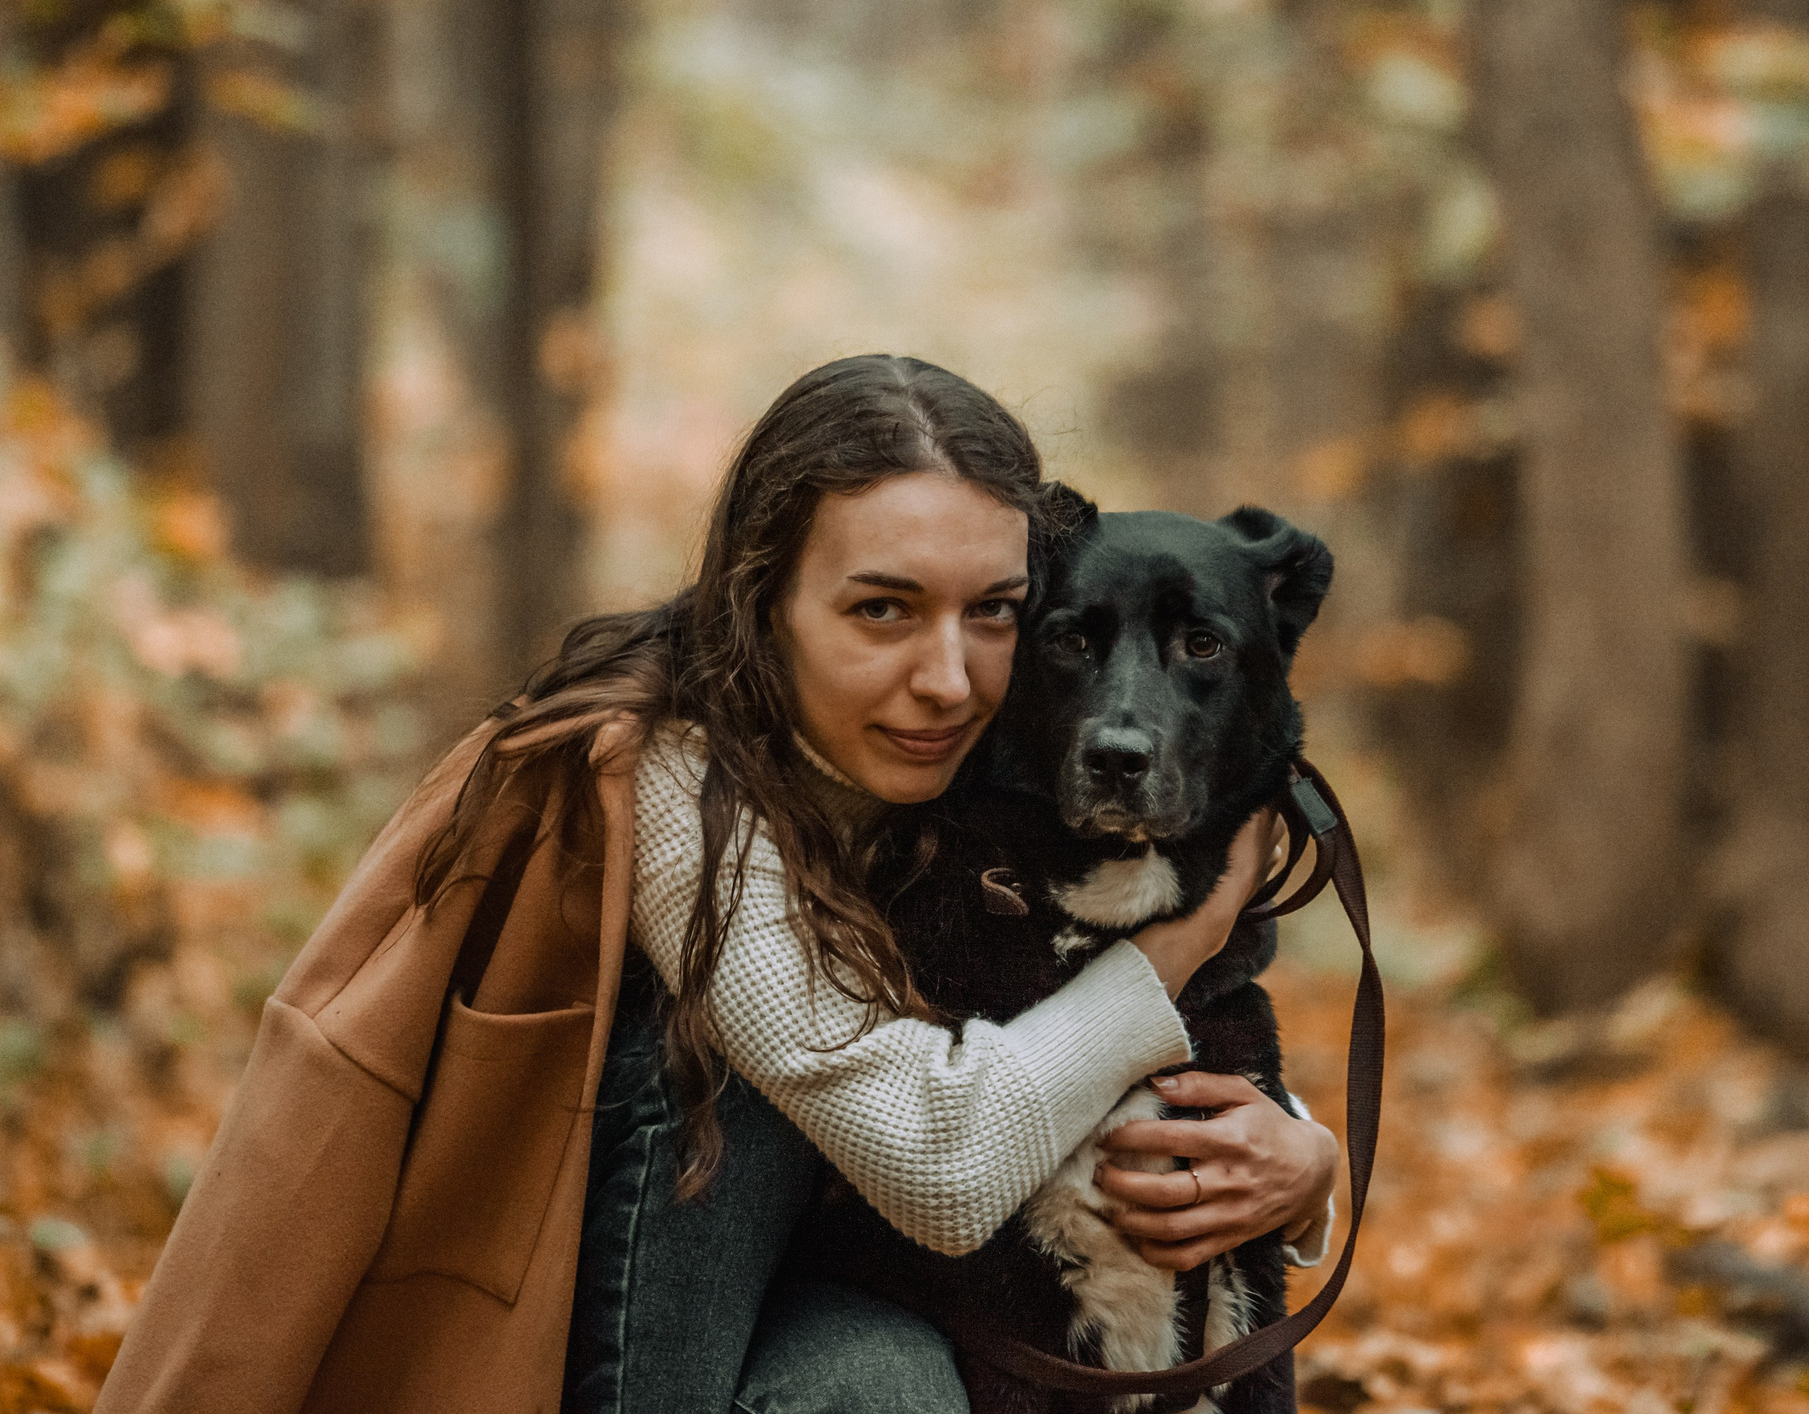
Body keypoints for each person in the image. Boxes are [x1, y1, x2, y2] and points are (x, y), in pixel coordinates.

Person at [95, 355, 1338, 1414]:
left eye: (995, 610)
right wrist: (1174, 952)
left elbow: (1046, 1039)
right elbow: (939, 1160)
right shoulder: (671, 785)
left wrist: (1301, 1164)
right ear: (764, 600)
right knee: (741, 1119)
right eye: (882, 608)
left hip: (816, 1304)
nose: (949, 676)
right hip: (573, 1350)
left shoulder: (962, 766)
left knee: (885, 1383)